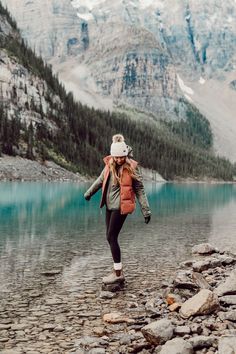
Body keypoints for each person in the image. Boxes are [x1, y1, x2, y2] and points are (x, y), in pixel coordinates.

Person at [84, 134, 151, 284]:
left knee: (111, 237)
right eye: (116, 157)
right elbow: (100, 180)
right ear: (113, 156)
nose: (119, 160)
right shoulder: (109, 165)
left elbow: (140, 189)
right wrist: (89, 193)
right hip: (109, 205)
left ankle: (118, 273)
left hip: (121, 207)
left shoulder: (132, 167)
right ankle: (117, 269)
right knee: (110, 237)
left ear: (125, 155)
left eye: (122, 157)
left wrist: (146, 210)